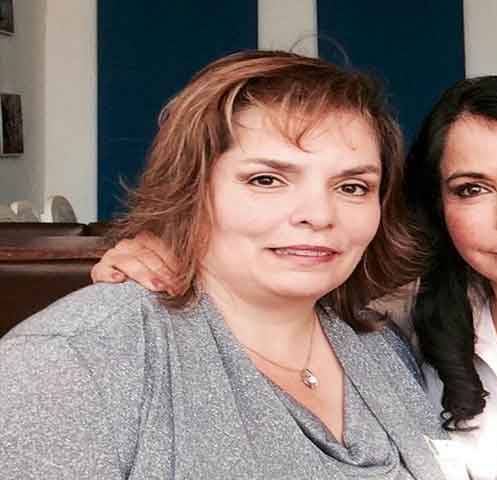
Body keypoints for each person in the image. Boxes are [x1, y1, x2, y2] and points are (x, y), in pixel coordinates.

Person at [95, 75, 497, 479]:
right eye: (473, 189)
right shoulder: (391, 335)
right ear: (438, 210)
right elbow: (260, 291)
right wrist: (168, 250)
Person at [0, 50, 451, 479]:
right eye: (267, 179)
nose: (319, 215)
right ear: (190, 189)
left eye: (352, 186)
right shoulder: (72, 361)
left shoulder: (382, 344)